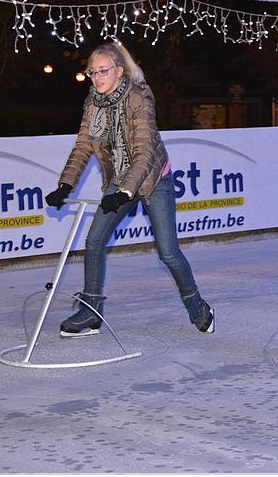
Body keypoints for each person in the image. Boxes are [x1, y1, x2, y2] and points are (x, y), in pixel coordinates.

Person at [45, 41, 215, 337]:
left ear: (119, 72)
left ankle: (198, 307)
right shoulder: (92, 102)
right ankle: (91, 312)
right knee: (94, 241)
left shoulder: (139, 99)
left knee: (168, 252)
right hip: (119, 176)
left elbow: (145, 152)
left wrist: (124, 192)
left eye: (103, 71)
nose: (97, 78)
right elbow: (84, 145)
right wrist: (65, 183)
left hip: (152, 179)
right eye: (92, 73)